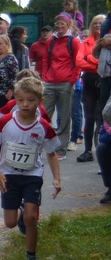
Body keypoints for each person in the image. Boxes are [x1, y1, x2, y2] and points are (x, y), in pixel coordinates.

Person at [0, 77, 61, 260]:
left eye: (31, 100)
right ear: (15, 100)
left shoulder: (44, 126)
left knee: (31, 216)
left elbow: (51, 154)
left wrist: (56, 178)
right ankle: (18, 214)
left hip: (32, 175)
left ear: (40, 102)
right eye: (20, 100)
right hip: (8, 174)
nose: (25, 104)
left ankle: (31, 257)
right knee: (10, 223)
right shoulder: (5, 121)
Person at [42, 13, 83, 160]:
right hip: (50, 82)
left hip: (66, 83)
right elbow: (46, 60)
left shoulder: (73, 41)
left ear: (68, 25)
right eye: (58, 23)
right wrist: (45, 77)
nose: (59, 26)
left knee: (64, 116)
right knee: (43, 114)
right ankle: (42, 143)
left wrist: (72, 80)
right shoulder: (51, 41)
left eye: (62, 24)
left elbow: (78, 62)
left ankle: (61, 148)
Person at [77, 15, 107, 162]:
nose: (98, 25)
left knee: (103, 117)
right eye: (95, 23)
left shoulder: (107, 41)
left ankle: (102, 149)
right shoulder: (85, 42)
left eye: (101, 23)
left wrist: (90, 58)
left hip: (105, 81)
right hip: (89, 81)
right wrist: (97, 63)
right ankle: (88, 150)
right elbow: (79, 62)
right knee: (89, 118)